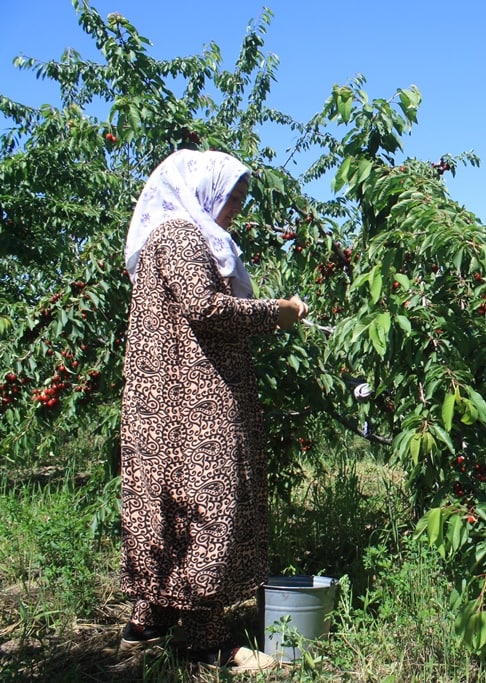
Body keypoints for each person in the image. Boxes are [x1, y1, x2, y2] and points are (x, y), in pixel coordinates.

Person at [118, 149, 308, 671]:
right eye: (231, 198)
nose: (234, 210)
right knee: (210, 504)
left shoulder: (174, 233)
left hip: (172, 399)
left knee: (166, 501)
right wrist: (279, 313)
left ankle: (148, 621)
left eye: (241, 201)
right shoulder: (180, 234)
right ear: (203, 188)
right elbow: (206, 309)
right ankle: (207, 643)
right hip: (192, 402)